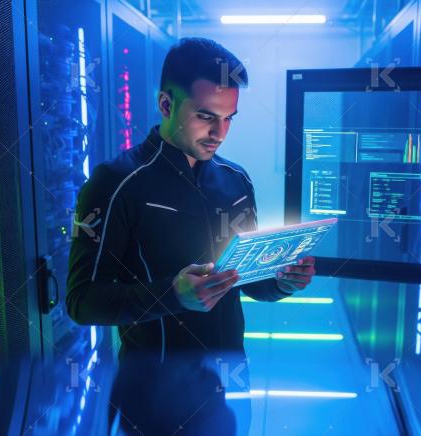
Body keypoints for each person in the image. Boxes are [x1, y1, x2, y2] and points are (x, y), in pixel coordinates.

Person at [66, 37, 316, 435]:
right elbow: (81, 302)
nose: (220, 132)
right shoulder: (114, 184)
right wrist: (173, 296)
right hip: (154, 397)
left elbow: (246, 281)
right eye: (206, 115)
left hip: (230, 382)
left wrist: (282, 280)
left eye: (230, 117)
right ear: (166, 105)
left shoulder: (235, 181)